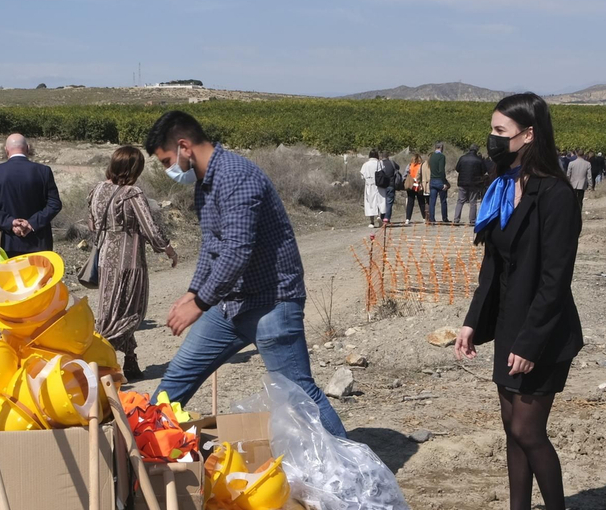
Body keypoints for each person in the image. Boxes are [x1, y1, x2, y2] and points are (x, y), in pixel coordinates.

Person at [144, 110, 346, 437]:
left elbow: (238, 249)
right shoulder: (205, 185)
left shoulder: (237, 176)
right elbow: (213, 246)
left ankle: (353, 477)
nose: (169, 169)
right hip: (229, 305)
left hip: (272, 303)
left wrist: (199, 303)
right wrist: (194, 292)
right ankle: (141, 455)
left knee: (299, 396)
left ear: (184, 146)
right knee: (177, 379)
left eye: (167, 160)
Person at [454, 93, 584, 510]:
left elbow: (556, 279)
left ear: (529, 135)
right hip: (510, 324)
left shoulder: (555, 195)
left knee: (529, 429)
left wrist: (530, 344)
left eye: (501, 132)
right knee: (511, 430)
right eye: (492, 130)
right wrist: (472, 322)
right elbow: (494, 267)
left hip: (543, 331)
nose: (493, 140)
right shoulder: (501, 186)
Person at [88, 145, 180, 380]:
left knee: (110, 310)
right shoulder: (132, 193)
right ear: (134, 169)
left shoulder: (97, 190)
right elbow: (151, 229)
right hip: (129, 262)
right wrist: (168, 249)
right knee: (131, 313)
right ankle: (97, 356)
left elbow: (91, 225)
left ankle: (130, 362)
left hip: (105, 262)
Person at [0, 133, 62, 256]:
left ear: (6, 150)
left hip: (7, 242)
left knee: (8, 275)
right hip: (38, 242)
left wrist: (10, 222)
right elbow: (54, 204)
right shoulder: (43, 171)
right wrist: (31, 223)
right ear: (27, 148)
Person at [454, 145, 488, 225]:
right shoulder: (479, 160)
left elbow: (457, 169)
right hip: (474, 183)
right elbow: (484, 171)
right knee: (473, 202)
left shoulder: (462, 158)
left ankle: (456, 219)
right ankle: (472, 220)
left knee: (460, 201)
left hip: (462, 183)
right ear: (477, 150)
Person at [359, 150, 385, 229]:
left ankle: (372, 222)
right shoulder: (380, 163)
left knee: (370, 203)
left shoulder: (365, 164)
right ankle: (379, 216)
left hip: (369, 185)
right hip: (379, 186)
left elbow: (362, 176)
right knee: (379, 201)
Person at [403, 153, 431, 225]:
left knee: (410, 202)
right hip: (419, 185)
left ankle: (407, 219)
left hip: (411, 185)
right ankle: (424, 218)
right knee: (421, 202)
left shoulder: (409, 165)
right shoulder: (421, 166)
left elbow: (405, 175)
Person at [426, 142, 450, 224]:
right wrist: (444, 182)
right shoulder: (441, 157)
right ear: (441, 147)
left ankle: (431, 218)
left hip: (432, 180)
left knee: (432, 201)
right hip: (439, 180)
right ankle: (444, 217)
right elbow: (441, 170)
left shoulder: (431, 157)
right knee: (443, 200)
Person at [378, 150, 401, 225]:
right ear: (388, 156)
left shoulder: (380, 164)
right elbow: (398, 167)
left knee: (382, 202)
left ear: (381, 157)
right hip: (391, 185)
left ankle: (382, 217)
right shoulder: (392, 163)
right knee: (389, 202)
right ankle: (387, 218)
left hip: (382, 186)